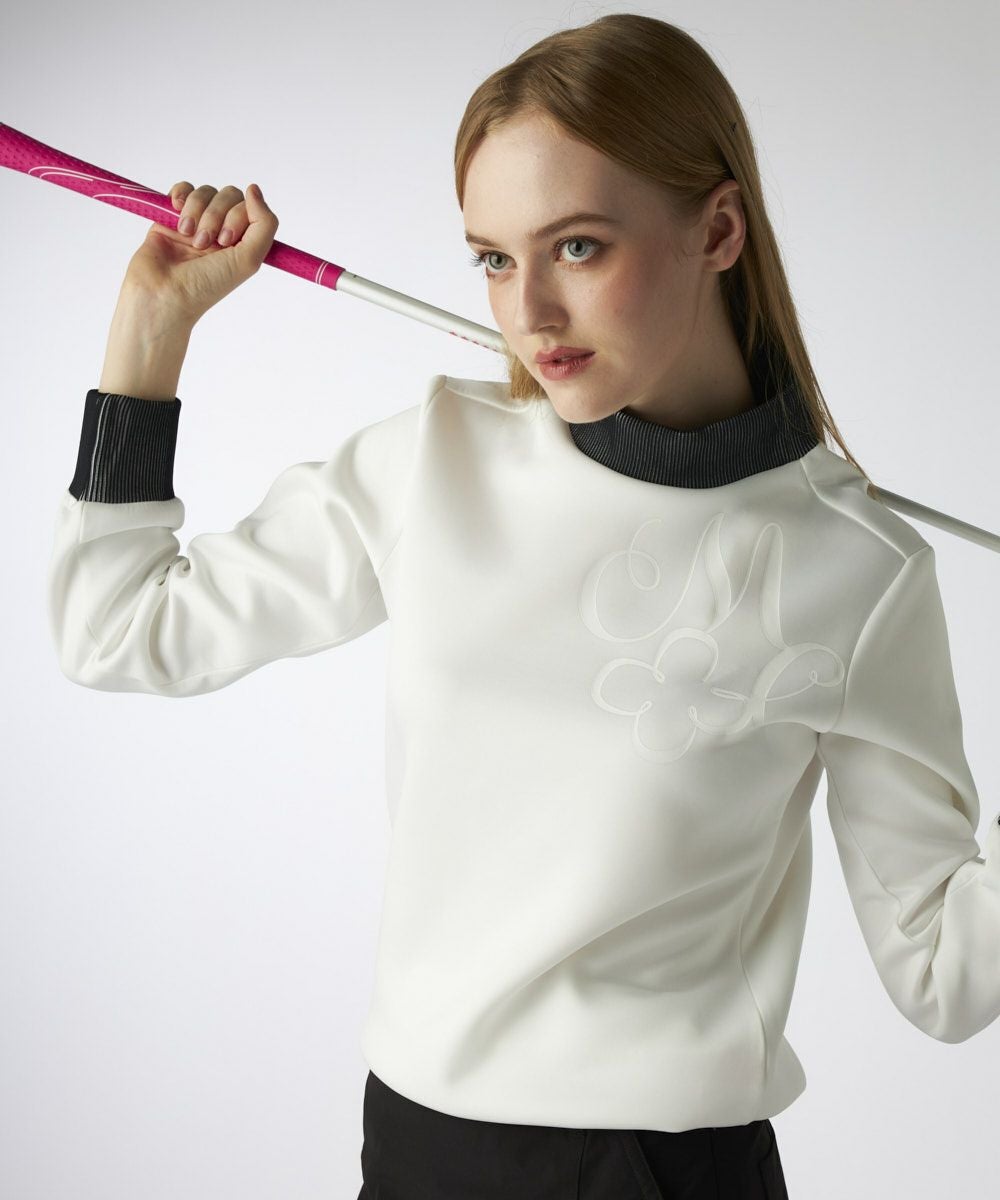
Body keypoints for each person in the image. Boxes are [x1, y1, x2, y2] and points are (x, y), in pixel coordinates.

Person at [47, 13, 1000, 1200]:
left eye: (578, 247)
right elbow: (116, 629)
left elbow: (946, 975)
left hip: (666, 1171)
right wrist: (151, 333)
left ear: (718, 230)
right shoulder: (432, 463)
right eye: (494, 260)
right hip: (418, 1147)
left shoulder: (856, 568)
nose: (530, 312)